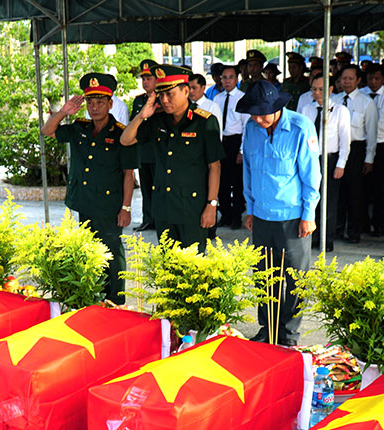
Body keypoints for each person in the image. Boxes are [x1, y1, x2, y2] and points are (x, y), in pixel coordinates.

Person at [41, 73, 137, 304]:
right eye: (90, 102)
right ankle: (95, 293)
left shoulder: (121, 133)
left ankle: (116, 298)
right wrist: (63, 112)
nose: (94, 107)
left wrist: (126, 207)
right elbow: (48, 131)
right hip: (84, 201)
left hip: (109, 204)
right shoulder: (79, 127)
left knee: (112, 249)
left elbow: (129, 174)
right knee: (90, 248)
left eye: (100, 102)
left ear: (110, 104)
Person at [238, 80, 320, 346]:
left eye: (263, 113)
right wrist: (250, 209)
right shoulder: (251, 128)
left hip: (292, 218)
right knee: (264, 277)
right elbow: (248, 171)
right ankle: (268, 329)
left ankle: (289, 333)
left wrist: (308, 214)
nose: (258, 119)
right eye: (253, 113)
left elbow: (312, 175)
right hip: (261, 216)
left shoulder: (300, 127)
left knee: (295, 279)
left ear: (277, 107)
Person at [121, 64, 225, 252]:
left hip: (192, 208)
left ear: (186, 91)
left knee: (193, 265)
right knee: (168, 263)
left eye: (170, 94)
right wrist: (142, 116)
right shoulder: (157, 119)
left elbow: (214, 166)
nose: (165, 100)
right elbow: (125, 140)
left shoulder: (204, 121)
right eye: (161, 95)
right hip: (164, 207)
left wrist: (212, 205)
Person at [299, 72, 351, 252]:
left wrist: (341, 164)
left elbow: (345, 140)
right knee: (310, 197)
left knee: (329, 201)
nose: (317, 93)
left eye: (321, 89)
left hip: (329, 158)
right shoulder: (307, 109)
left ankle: (326, 239)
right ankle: (311, 237)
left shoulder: (340, 110)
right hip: (310, 158)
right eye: (314, 89)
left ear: (330, 89)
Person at [333, 64, 378, 243]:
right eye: (344, 78)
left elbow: (372, 133)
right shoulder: (334, 100)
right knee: (338, 192)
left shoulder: (366, 102)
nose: (346, 82)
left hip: (356, 150)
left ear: (358, 80)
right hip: (337, 149)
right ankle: (336, 228)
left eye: (350, 78)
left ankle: (354, 231)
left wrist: (369, 158)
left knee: (355, 193)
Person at [361, 63, 384, 237]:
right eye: (370, 78)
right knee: (363, 188)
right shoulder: (361, 94)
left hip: (383, 145)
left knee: (381, 189)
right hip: (364, 145)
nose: (373, 82)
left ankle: (379, 224)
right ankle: (363, 224)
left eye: (377, 78)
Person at [213, 65, 249, 229]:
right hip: (221, 141)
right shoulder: (217, 98)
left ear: (237, 79)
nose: (227, 81)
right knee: (222, 181)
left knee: (237, 182)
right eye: (224, 78)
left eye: (230, 77)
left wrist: (241, 150)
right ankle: (225, 215)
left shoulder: (242, 98)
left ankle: (236, 216)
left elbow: (246, 126)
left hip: (236, 141)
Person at [130, 59, 159, 232]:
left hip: (159, 151)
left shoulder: (163, 99)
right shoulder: (139, 100)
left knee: (159, 186)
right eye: (143, 79)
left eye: (149, 78)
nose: (145, 82)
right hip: (144, 151)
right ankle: (148, 219)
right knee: (146, 188)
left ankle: (160, 218)